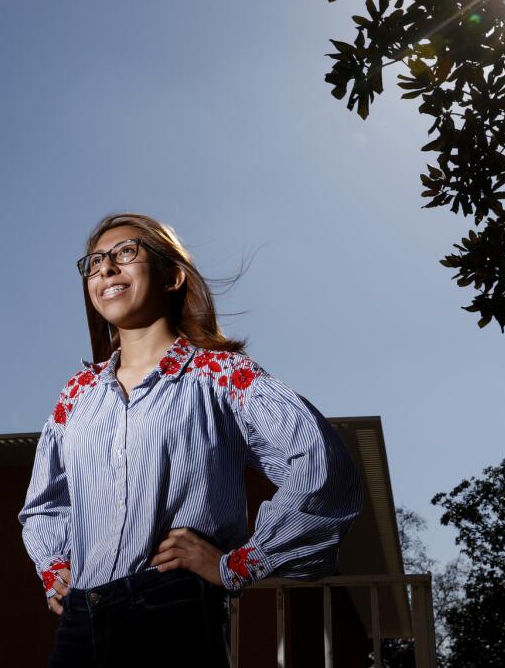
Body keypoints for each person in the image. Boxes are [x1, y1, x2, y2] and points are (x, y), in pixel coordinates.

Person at [18, 212, 363, 668]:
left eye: (126, 253)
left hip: (173, 611)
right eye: (96, 261)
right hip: (80, 620)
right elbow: (45, 503)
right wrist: (53, 567)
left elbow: (321, 467)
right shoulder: (76, 396)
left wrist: (238, 563)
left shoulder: (221, 375)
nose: (106, 268)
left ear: (173, 276)